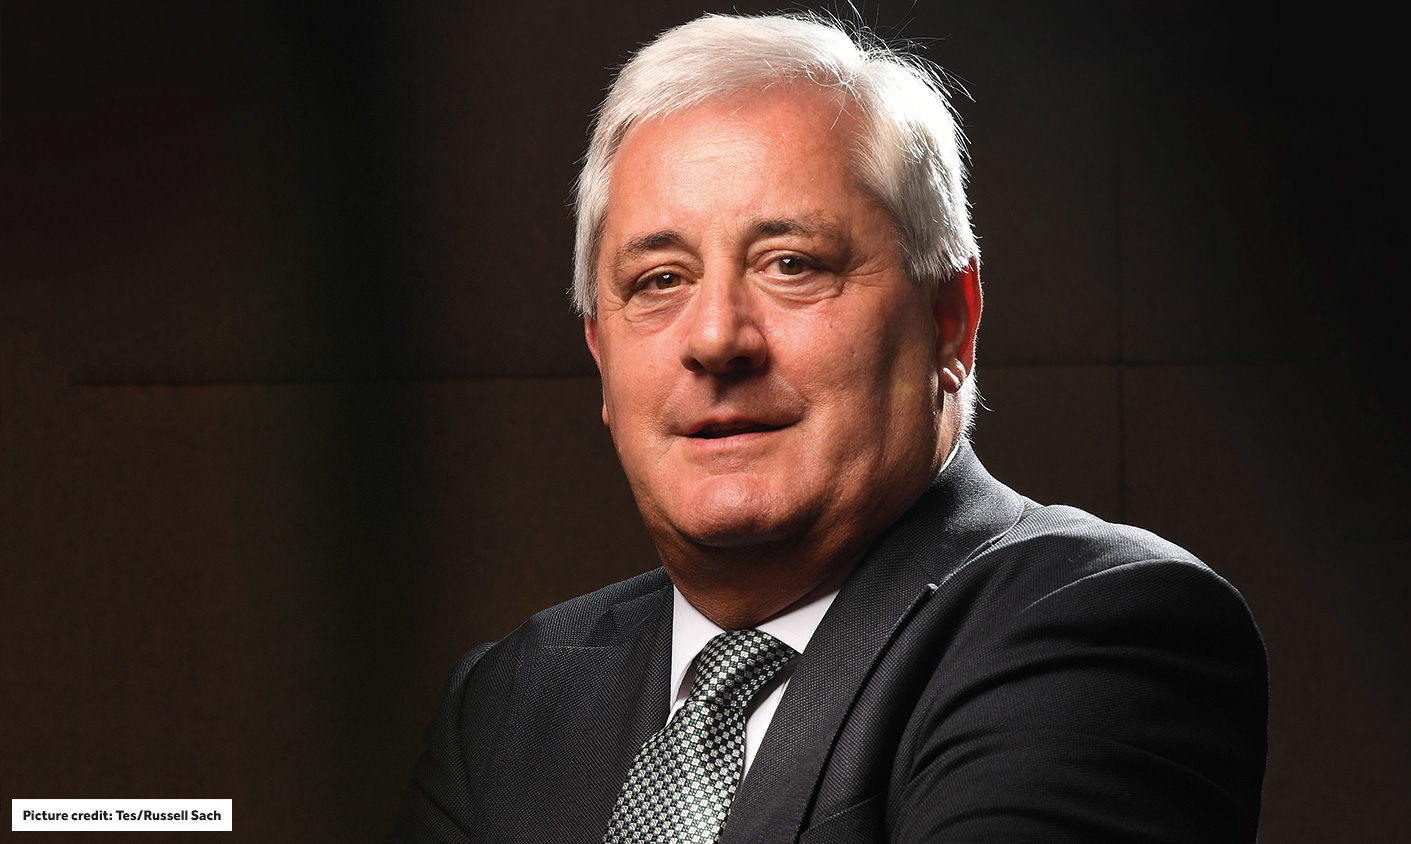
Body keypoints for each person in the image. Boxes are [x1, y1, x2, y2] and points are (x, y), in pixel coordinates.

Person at [391, 13, 1267, 843]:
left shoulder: (1099, 625)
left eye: (792, 264)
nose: (715, 339)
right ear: (602, 358)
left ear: (950, 322)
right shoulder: (508, 702)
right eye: (659, 280)